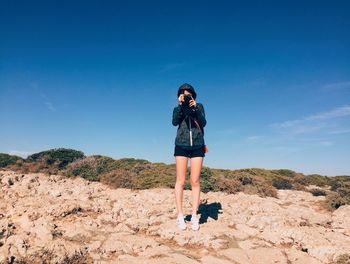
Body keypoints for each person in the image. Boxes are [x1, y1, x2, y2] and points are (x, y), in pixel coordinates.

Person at [172, 83, 207, 231]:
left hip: (198, 145)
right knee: (180, 180)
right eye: (183, 94)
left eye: (188, 94)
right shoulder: (177, 109)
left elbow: (203, 122)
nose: (186, 96)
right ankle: (180, 215)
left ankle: (194, 215)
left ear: (193, 95)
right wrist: (181, 106)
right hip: (181, 144)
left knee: (195, 181)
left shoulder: (199, 107)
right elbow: (174, 122)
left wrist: (195, 109)